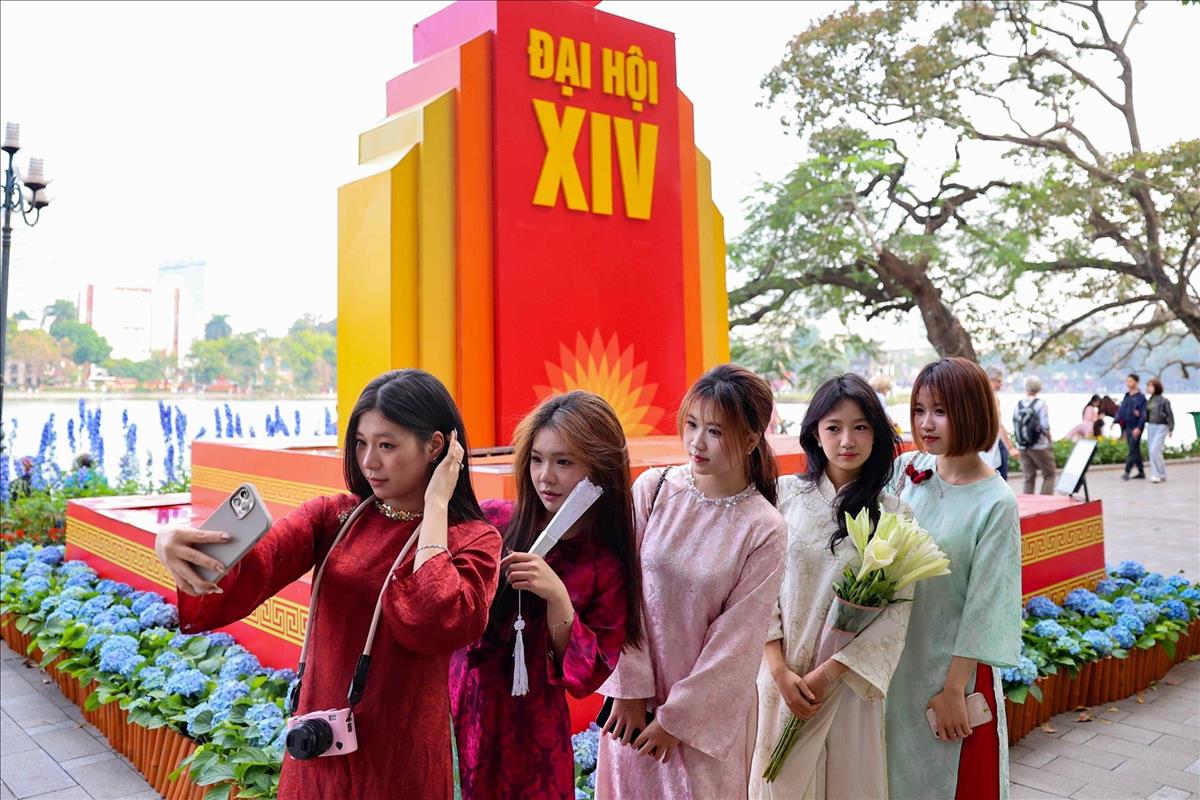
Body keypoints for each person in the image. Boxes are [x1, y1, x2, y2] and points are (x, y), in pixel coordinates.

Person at [155, 370, 502, 799]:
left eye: (386, 445)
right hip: (318, 746)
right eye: (361, 443)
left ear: (434, 446)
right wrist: (175, 544)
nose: (369, 461)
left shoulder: (474, 539)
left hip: (401, 760)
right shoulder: (334, 518)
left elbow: (434, 620)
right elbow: (256, 567)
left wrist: (436, 505)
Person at [597, 364, 787, 800]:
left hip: (702, 725)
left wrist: (676, 720)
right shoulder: (653, 488)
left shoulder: (764, 527)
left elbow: (738, 641)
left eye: (715, 431)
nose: (697, 442)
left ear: (752, 440)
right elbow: (620, 588)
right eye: (692, 424)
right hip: (633, 710)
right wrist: (629, 690)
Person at [450, 391, 641, 799]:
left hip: (531, 734)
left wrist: (558, 597)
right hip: (458, 706)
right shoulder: (494, 520)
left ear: (599, 467)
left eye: (564, 462)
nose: (545, 477)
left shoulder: (604, 565)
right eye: (537, 459)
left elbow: (586, 676)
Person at [748, 374, 912, 799]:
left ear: (876, 434)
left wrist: (830, 673)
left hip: (846, 686)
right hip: (781, 678)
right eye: (834, 427)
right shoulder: (782, 496)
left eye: (860, 427)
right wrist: (778, 669)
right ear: (815, 434)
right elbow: (756, 586)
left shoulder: (895, 515)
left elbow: (897, 610)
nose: (847, 440)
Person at [886, 357, 1021, 800]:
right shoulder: (907, 472)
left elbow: (986, 604)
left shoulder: (995, 502)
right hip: (892, 662)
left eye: (940, 410)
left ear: (972, 411)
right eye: (919, 409)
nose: (926, 423)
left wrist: (953, 690)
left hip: (950, 670)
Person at [1013, 375, 1055, 495]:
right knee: (1049, 475)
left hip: (1022, 446)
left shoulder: (1018, 404)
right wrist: (1049, 440)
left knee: (1028, 477)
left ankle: (1028, 504)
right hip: (1039, 446)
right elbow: (1045, 425)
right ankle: (1045, 503)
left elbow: (1015, 424)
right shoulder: (1041, 404)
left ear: (1025, 387)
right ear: (1039, 388)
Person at [979, 367, 1015, 479]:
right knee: (1000, 478)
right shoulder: (992, 397)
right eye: (998, 381)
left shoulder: (978, 396)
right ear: (989, 380)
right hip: (994, 444)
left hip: (982, 444)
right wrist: (1010, 448)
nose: (1001, 384)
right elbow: (998, 425)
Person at [1115, 373, 1148, 480]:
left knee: (1132, 448)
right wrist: (1115, 421)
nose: (1128, 383)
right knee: (1135, 449)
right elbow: (1121, 410)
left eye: (1130, 381)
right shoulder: (1127, 396)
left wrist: (1138, 427)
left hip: (1136, 426)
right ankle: (1141, 471)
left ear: (1136, 382)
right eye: (1127, 381)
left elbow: (1143, 415)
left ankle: (1127, 471)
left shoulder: (1141, 398)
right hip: (1127, 426)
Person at [1145, 378, 1175, 484]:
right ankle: (1161, 474)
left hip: (1162, 426)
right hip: (1151, 426)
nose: (1149, 388)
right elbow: (1147, 415)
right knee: (1153, 451)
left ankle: (1157, 475)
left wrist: (1171, 428)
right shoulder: (1150, 400)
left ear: (1157, 387)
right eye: (1148, 386)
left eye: (1151, 386)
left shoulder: (1164, 401)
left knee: (1154, 450)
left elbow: (1170, 415)